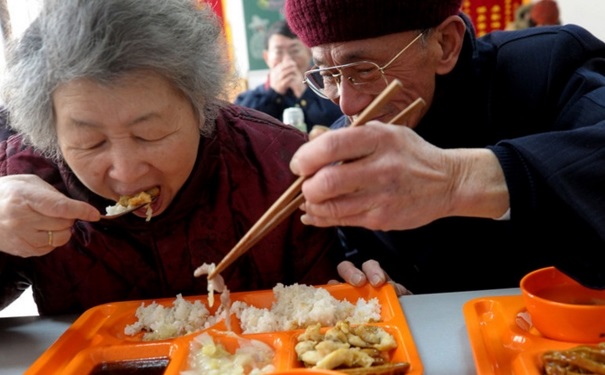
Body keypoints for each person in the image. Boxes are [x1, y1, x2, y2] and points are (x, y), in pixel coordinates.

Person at [0, 0, 400, 316]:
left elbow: (330, 299)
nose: (125, 171)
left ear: (201, 105)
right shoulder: (30, 177)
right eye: (89, 142)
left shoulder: (280, 166)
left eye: (149, 133)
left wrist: (356, 291)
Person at [283, 0, 605, 294]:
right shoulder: (350, 146)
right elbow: (358, 254)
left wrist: (457, 180)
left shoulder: (550, 64)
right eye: (328, 74)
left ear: (445, 44)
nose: (347, 106)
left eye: (365, 70)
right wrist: (368, 281)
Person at [234, 20, 343, 132]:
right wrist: (273, 93)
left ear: (309, 52)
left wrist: (303, 92)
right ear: (266, 57)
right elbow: (244, 130)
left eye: (294, 51)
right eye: (278, 52)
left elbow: (339, 123)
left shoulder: (332, 89)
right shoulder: (248, 100)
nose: (287, 60)